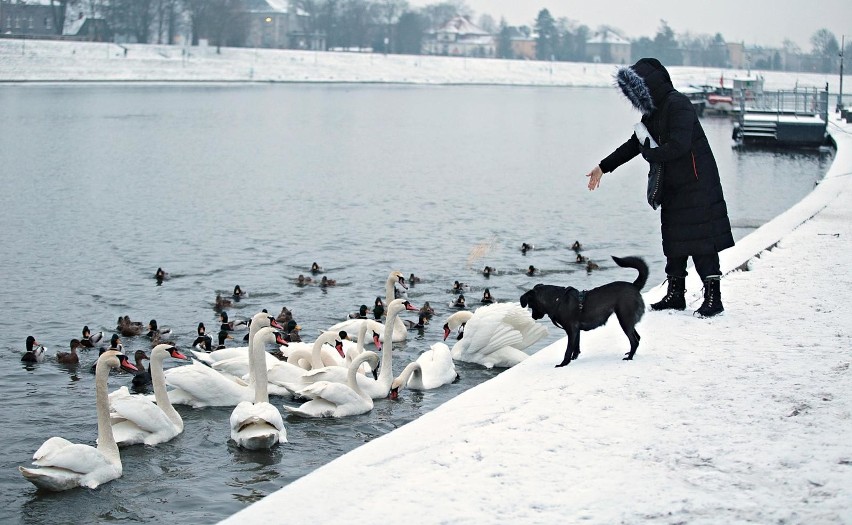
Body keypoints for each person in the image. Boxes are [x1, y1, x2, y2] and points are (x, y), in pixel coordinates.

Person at [585, 58, 734, 318]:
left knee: (702, 242)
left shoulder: (679, 105)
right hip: (674, 185)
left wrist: (650, 154)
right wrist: (603, 167)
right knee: (674, 240)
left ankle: (714, 297)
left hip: (699, 183)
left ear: (649, 86)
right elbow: (634, 144)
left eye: (637, 90)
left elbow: (679, 145)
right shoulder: (652, 113)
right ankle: (676, 294)